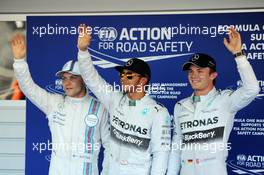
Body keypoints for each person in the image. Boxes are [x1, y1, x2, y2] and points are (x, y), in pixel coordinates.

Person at [76, 24, 171, 175]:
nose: (123, 79)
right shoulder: (115, 98)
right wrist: (83, 51)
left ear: (143, 80)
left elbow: (161, 154)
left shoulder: (158, 112)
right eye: (122, 75)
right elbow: (91, 79)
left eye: (129, 76)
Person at [11, 33, 110, 175]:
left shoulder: (99, 107)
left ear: (84, 80)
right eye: (64, 78)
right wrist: (19, 62)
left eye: (73, 78)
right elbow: (28, 88)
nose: (67, 83)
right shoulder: (54, 102)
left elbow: (110, 147)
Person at [167, 28, 260, 175]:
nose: (193, 76)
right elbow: (176, 148)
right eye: (191, 71)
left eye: (200, 71)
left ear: (213, 75)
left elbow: (252, 89)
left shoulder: (226, 100)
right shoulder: (180, 105)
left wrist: (239, 55)